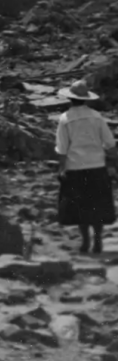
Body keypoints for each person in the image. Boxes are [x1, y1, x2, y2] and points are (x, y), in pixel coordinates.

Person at [55, 79, 117, 255]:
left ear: (70, 99)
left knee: (80, 207)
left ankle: (85, 242)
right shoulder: (97, 117)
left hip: (75, 167)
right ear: (86, 99)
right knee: (97, 206)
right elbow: (110, 144)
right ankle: (98, 241)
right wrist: (112, 164)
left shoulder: (65, 119)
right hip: (97, 166)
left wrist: (61, 168)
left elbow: (62, 148)